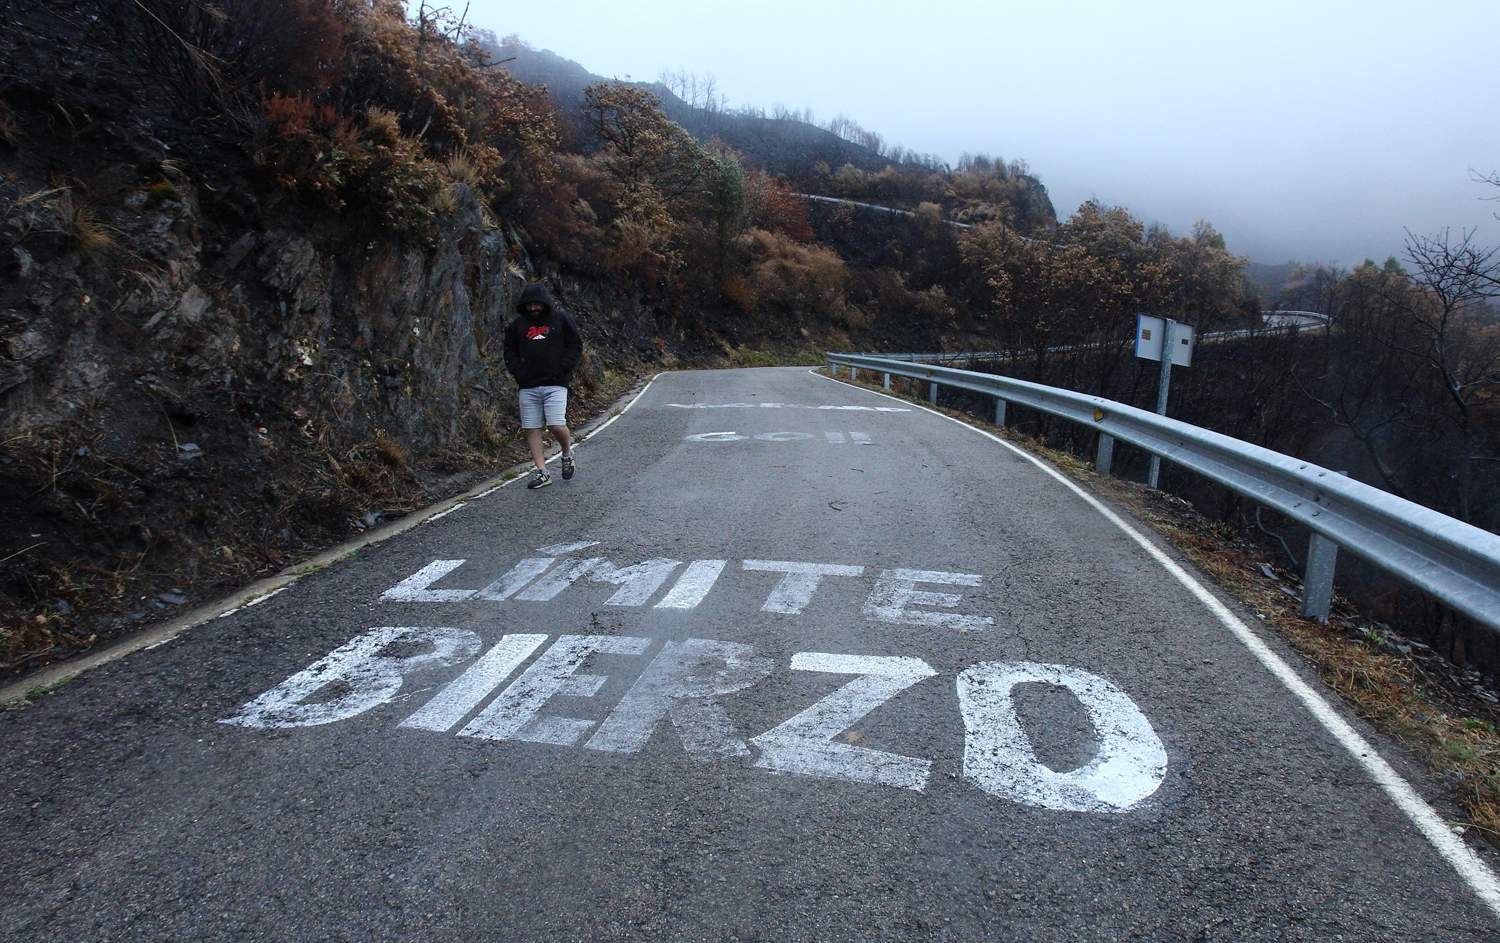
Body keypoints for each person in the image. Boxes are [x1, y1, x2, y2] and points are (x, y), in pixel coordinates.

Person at [503, 283, 584, 490]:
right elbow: (509, 351)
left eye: (536, 304)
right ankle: (541, 471)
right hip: (528, 386)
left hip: (555, 383)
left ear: (544, 303)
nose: (533, 308)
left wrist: (563, 368)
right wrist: (518, 372)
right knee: (532, 429)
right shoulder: (517, 325)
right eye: (529, 305)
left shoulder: (561, 319)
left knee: (556, 424)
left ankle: (567, 452)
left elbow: (575, 344)